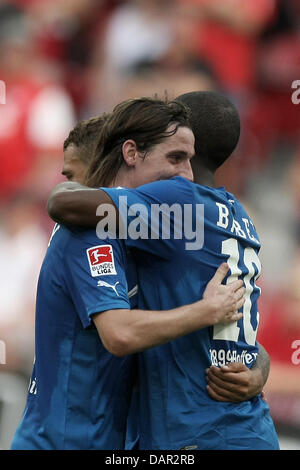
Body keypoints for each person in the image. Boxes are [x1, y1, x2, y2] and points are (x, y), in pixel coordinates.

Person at [11, 97, 245, 450]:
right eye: (176, 159)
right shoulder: (87, 233)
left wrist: (257, 372)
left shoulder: (155, 237)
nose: (187, 177)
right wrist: (205, 311)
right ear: (130, 154)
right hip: (62, 443)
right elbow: (119, 334)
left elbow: (232, 325)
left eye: (189, 160)